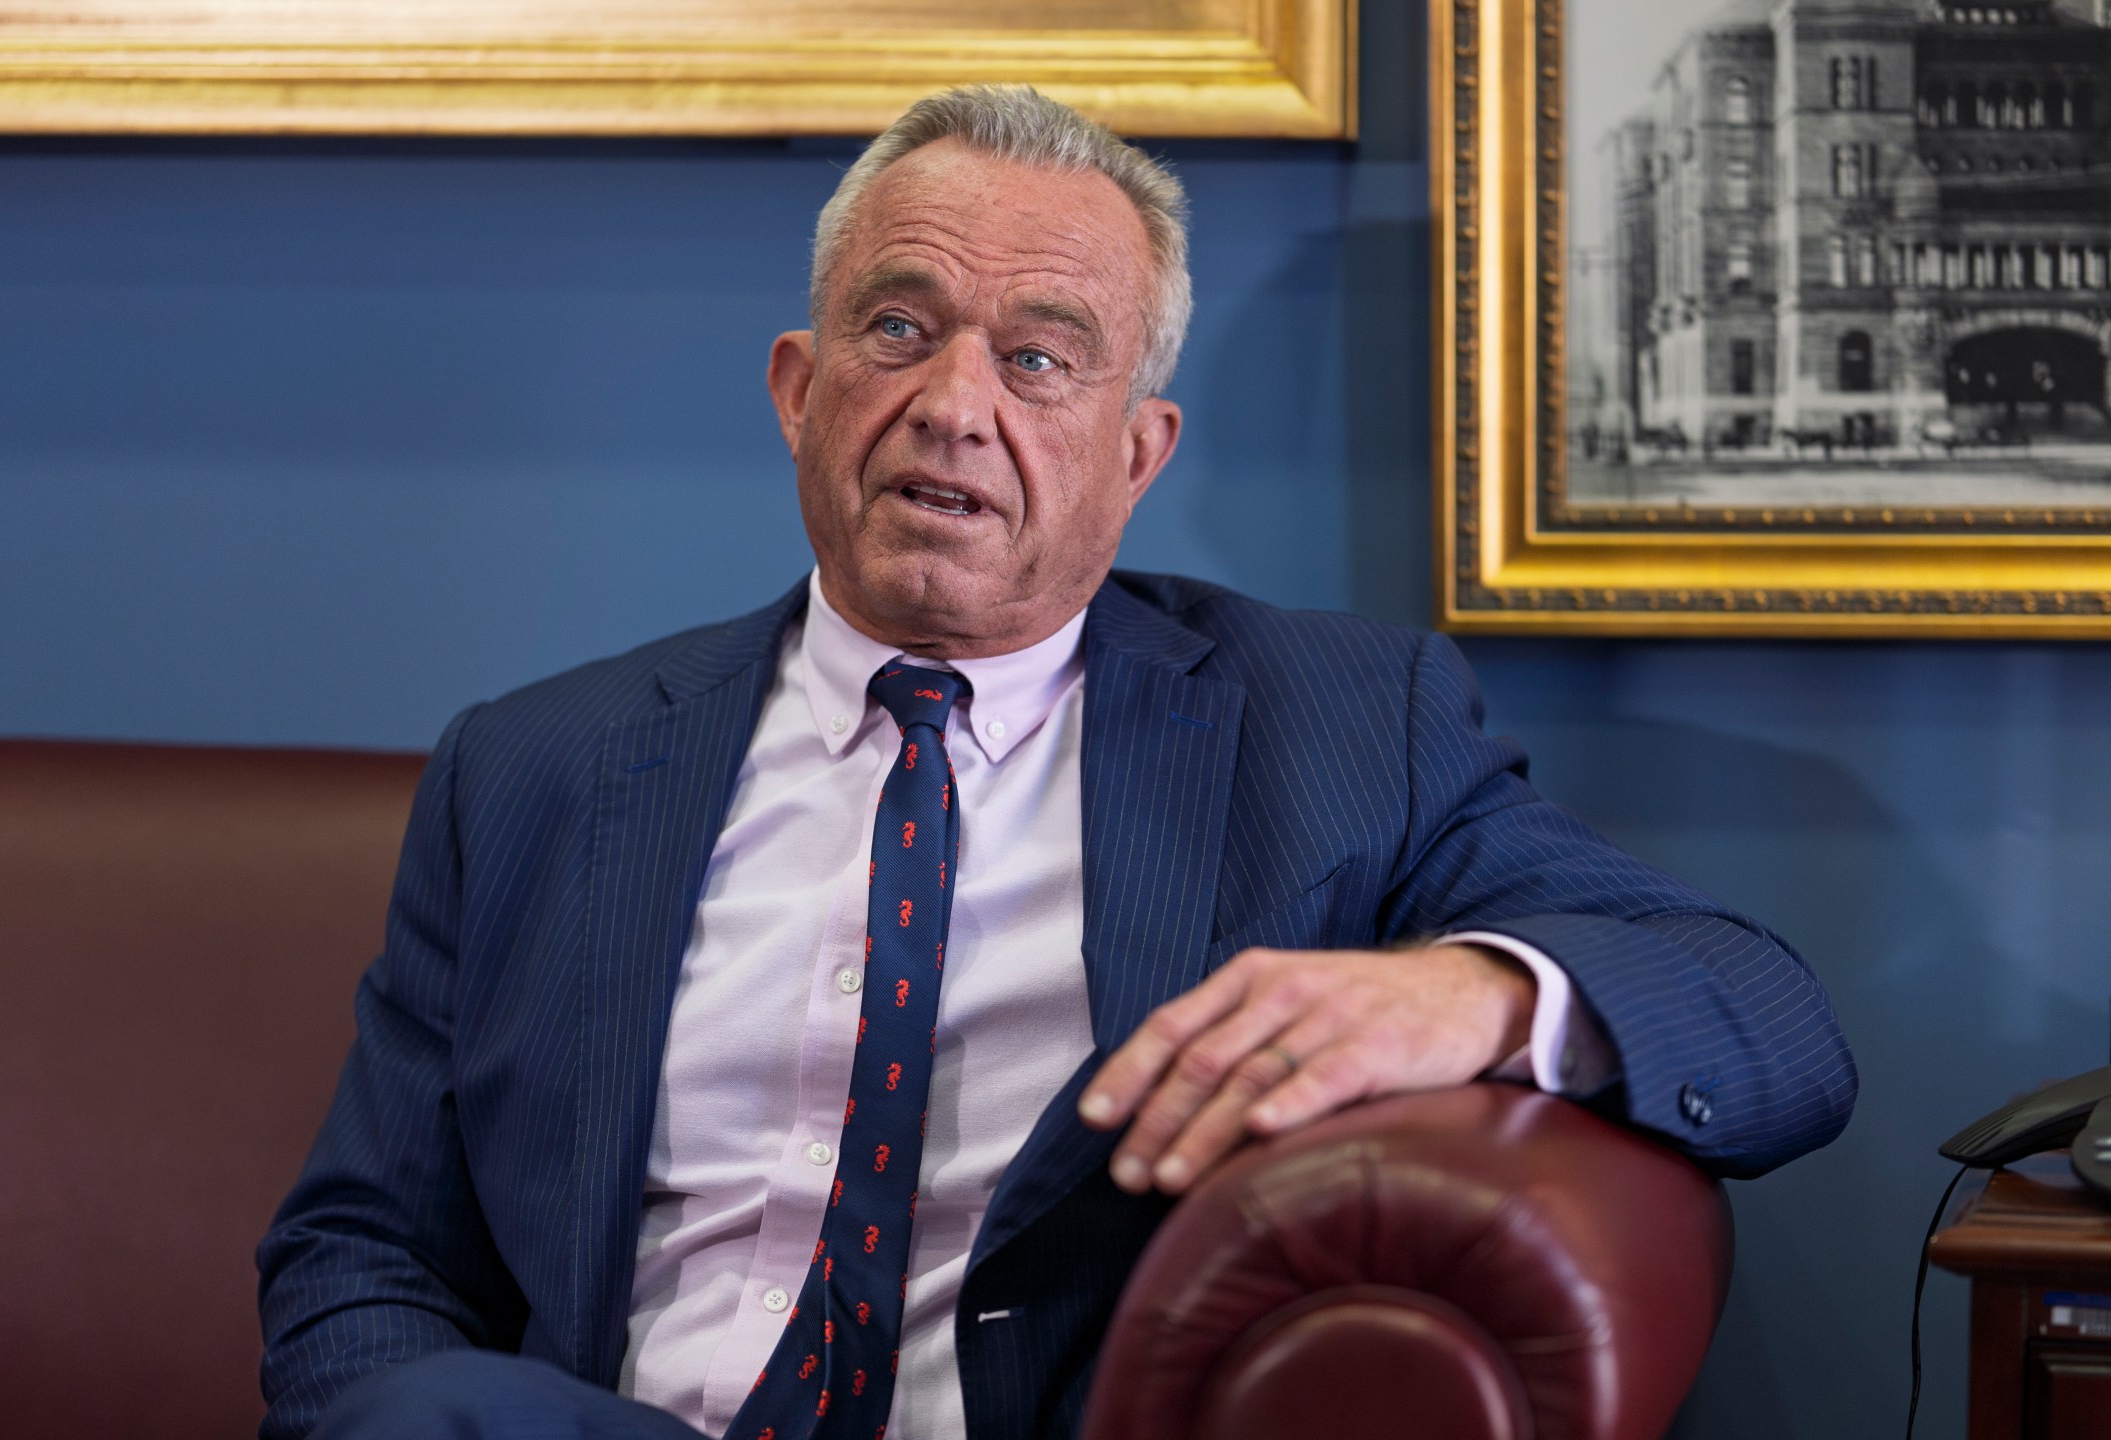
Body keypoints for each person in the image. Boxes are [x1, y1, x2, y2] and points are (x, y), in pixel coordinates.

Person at [257, 85, 1857, 1440]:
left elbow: (1767, 1016)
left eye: (1039, 359)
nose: (955, 405)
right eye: (900, 328)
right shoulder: (533, 767)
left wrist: (1473, 995)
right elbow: (360, 1252)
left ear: (1135, 452)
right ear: (800, 395)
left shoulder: (1336, 727)